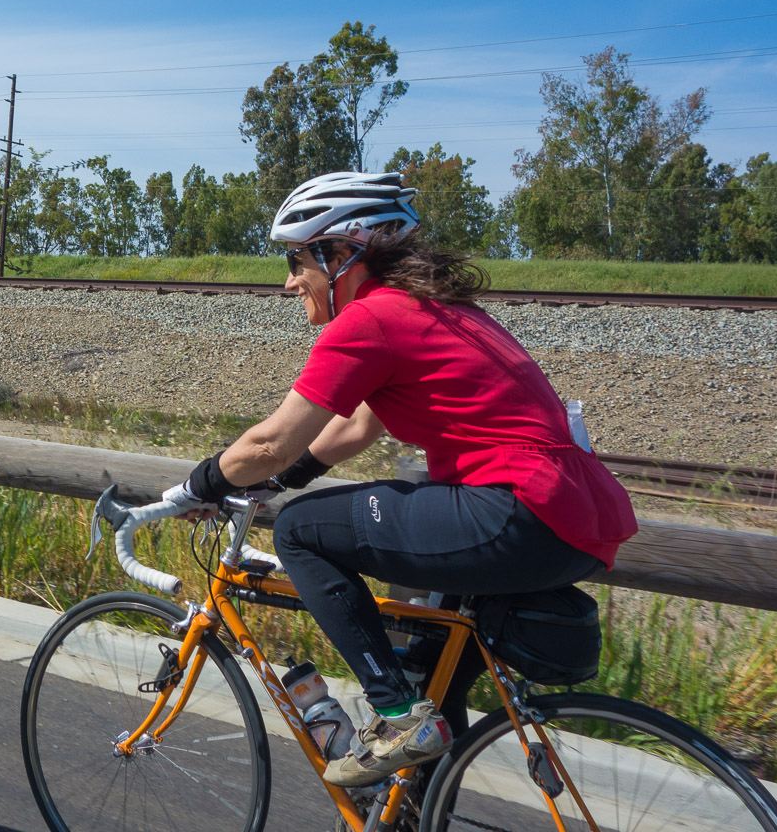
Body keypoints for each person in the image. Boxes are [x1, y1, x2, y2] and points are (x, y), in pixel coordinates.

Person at [161, 170, 638, 787]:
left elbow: (271, 442)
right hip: (574, 520)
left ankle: (393, 715)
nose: (289, 281)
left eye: (296, 260)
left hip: (514, 508)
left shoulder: (372, 318)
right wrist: (276, 481)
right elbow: (361, 425)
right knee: (435, 679)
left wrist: (198, 486)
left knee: (301, 530)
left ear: (340, 253)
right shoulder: (437, 309)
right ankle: (418, 800)